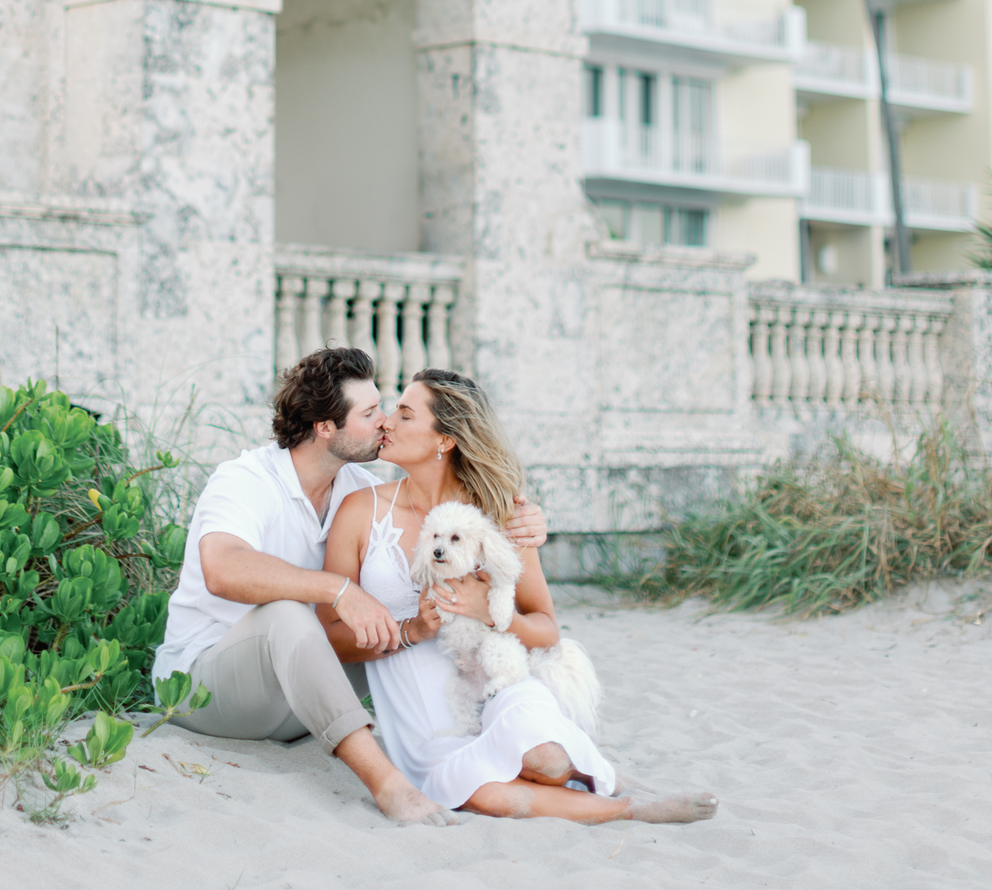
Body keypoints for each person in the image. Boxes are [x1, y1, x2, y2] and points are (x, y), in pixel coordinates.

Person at [153, 347, 548, 826]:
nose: (386, 422)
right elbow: (222, 568)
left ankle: (498, 751)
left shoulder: (357, 491)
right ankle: (389, 786)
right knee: (289, 613)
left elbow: (439, 513)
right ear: (325, 427)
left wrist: (518, 520)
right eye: (370, 413)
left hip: (304, 698)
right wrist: (337, 589)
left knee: (409, 610)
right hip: (211, 690)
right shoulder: (246, 479)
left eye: (388, 409)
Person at [320, 367, 719, 825]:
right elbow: (328, 636)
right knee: (486, 795)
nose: (387, 421)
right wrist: (412, 630)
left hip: (498, 682)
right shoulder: (361, 511)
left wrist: (490, 614)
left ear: (445, 440)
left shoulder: (502, 513)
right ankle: (628, 807)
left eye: (405, 414)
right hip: (424, 714)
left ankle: (600, 773)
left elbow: (547, 631)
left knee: (544, 761)